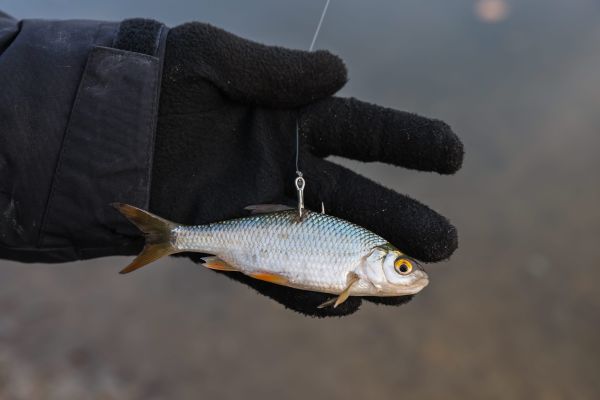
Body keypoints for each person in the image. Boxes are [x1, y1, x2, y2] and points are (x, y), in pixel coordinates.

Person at [0, 14, 463, 317]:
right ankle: (173, 236)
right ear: (376, 261)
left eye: (402, 268)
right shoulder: (357, 264)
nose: (410, 274)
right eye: (402, 267)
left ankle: (173, 236)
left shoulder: (356, 266)